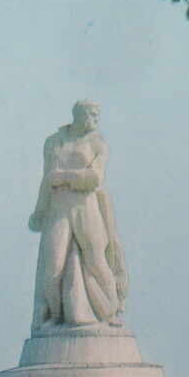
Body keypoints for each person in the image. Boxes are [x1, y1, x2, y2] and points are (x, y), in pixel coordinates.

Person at [28, 100, 129, 331]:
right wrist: (39, 210)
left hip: (87, 205)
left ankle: (109, 311)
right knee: (53, 264)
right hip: (58, 207)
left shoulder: (98, 144)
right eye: (92, 115)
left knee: (96, 258)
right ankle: (55, 315)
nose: (95, 120)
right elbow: (46, 179)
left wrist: (63, 177)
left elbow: (95, 178)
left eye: (97, 116)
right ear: (78, 115)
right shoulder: (53, 142)